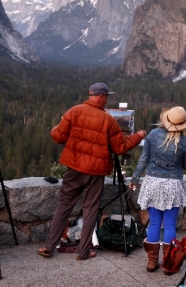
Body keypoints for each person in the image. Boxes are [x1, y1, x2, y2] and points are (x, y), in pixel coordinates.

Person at [38, 83, 146, 260]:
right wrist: (137, 136)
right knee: (90, 209)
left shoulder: (74, 111)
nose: (107, 100)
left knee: (64, 206)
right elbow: (120, 148)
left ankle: (49, 247)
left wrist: (54, 128)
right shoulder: (109, 120)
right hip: (95, 172)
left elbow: (58, 137)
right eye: (107, 97)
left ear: (90, 96)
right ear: (102, 97)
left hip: (74, 168)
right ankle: (83, 251)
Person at [129, 106, 186, 274]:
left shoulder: (152, 135)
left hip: (153, 183)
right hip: (172, 185)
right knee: (170, 225)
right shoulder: (185, 143)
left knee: (154, 223)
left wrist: (135, 179)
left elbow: (144, 159)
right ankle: (168, 264)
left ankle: (152, 263)